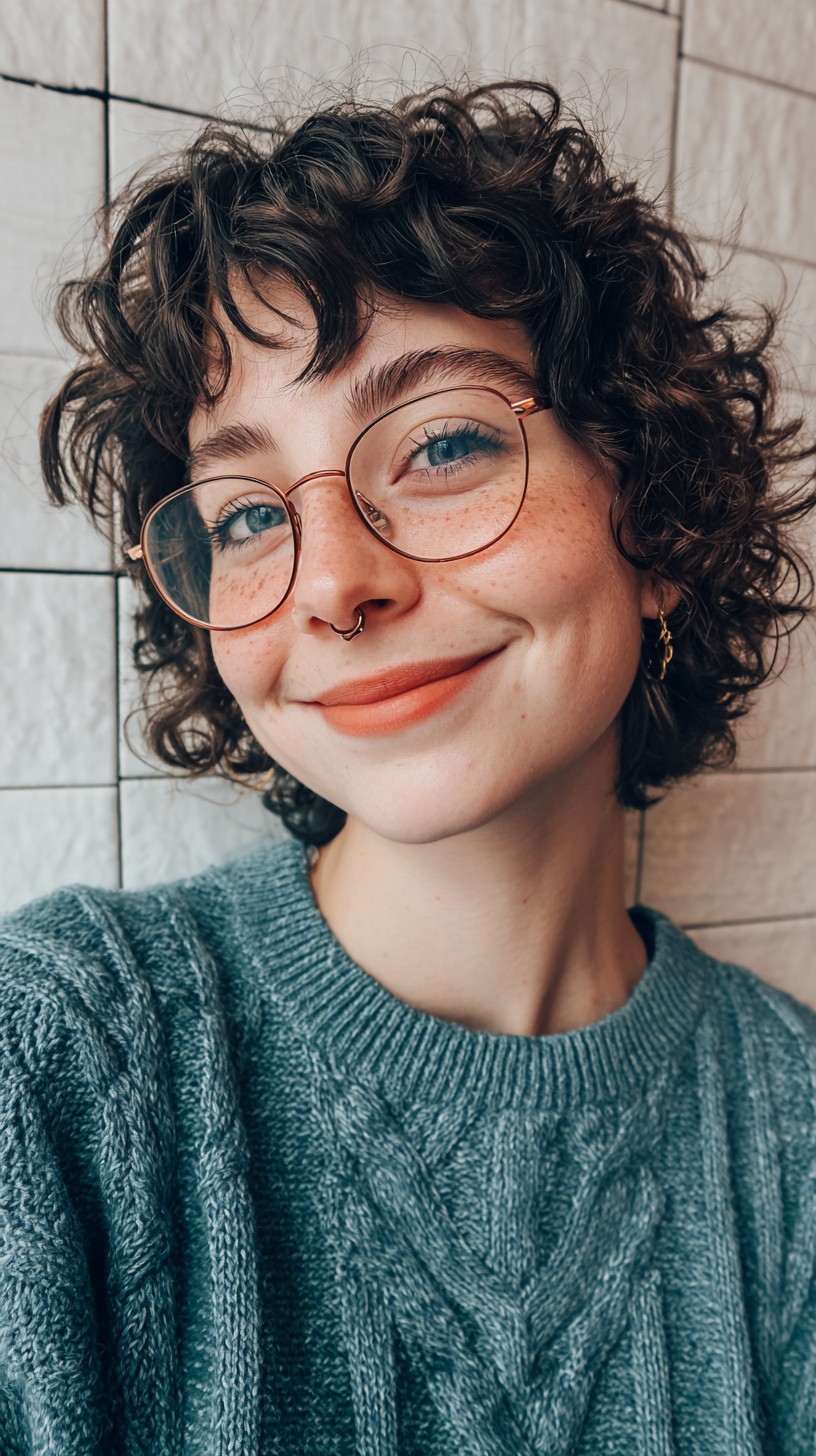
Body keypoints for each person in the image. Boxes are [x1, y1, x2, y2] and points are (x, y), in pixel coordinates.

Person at [2, 77, 816, 1454]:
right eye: (251, 512)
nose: (334, 584)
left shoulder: (792, 1133)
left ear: (659, 522)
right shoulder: (57, 1063)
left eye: (443, 442)